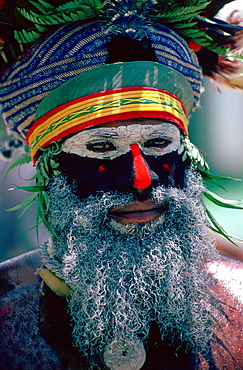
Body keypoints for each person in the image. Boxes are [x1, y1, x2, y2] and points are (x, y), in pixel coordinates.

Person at [0, 1, 243, 369]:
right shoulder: (6, 311)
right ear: (51, 170)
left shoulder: (239, 301)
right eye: (100, 147)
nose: (141, 180)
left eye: (159, 144)